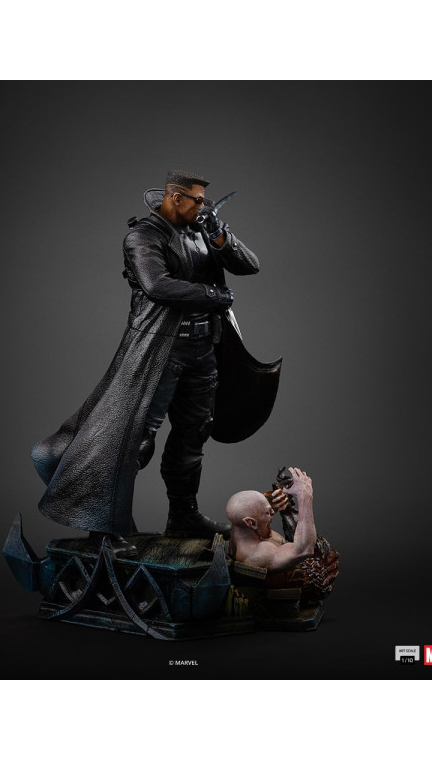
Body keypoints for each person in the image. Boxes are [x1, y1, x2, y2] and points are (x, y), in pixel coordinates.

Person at [31, 170, 266, 558]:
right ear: (175, 198)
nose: (203, 207)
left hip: (204, 348)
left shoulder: (202, 230)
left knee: (194, 433)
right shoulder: (143, 236)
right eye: (197, 200)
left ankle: (184, 515)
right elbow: (158, 286)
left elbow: (250, 265)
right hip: (159, 352)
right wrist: (215, 294)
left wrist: (220, 233)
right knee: (131, 440)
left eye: (205, 202)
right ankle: (103, 527)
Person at [226, 467, 316, 573]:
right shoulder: (261, 553)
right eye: (268, 512)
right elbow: (305, 550)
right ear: (251, 522)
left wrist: (265, 507)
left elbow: (246, 507)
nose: (273, 512)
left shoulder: (239, 526)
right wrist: (305, 496)